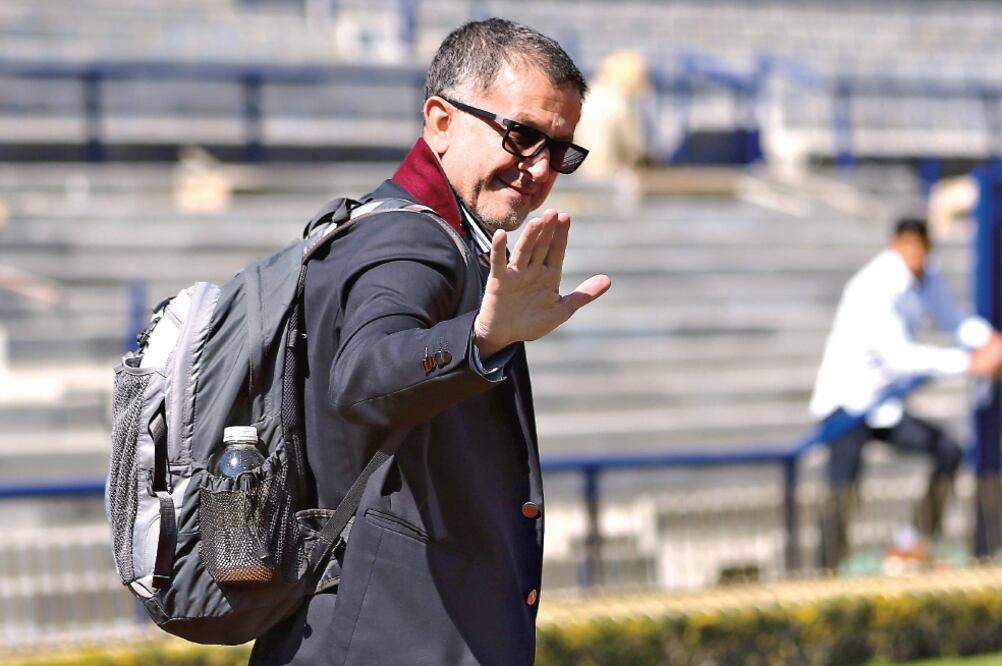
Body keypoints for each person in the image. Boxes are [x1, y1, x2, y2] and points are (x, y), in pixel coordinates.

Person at [249, 19, 610, 665]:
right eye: (522, 134)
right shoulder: (408, 243)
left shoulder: (422, 232)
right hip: (384, 640)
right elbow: (363, 376)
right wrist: (479, 339)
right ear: (440, 122)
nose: (539, 168)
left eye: (560, 150)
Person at [810, 217, 1002, 570]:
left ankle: (911, 541)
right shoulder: (874, 285)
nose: (913, 255)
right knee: (842, 491)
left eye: (919, 247)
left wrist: (990, 342)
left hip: (883, 405)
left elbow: (955, 322)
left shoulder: (927, 275)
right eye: (906, 246)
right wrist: (970, 362)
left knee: (948, 450)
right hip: (847, 406)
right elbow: (900, 356)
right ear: (893, 246)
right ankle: (823, 572)